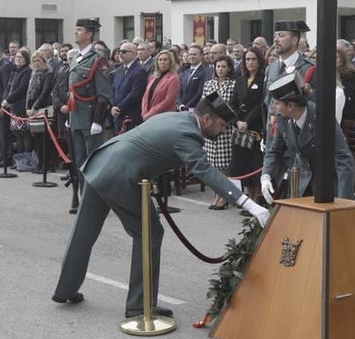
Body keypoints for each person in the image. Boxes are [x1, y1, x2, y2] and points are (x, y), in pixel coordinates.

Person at [52, 94, 270, 317]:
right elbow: (206, 172)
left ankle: (65, 289)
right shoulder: (187, 135)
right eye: (222, 125)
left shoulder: (178, 118)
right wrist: (248, 203)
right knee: (150, 233)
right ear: (206, 118)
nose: (223, 131)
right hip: (121, 176)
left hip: (102, 163)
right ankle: (140, 303)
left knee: (83, 233)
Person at [261, 72, 355, 201]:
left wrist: (344, 200)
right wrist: (266, 175)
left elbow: (343, 157)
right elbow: (275, 151)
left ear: (290, 106)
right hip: (300, 183)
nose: (274, 107)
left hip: (326, 185)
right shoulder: (282, 120)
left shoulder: (322, 118)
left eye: (277, 103)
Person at [64, 18, 113, 175]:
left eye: (79, 30)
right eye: (76, 29)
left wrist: (97, 121)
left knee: (93, 162)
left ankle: (93, 197)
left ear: (89, 34)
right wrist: (69, 116)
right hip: (76, 116)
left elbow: (104, 94)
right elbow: (72, 89)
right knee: (79, 160)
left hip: (90, 117)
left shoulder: (98, 59)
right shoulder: (76, 57)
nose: (75, 32)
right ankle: (82, 194)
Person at [230, 46, 267, 206]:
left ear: (259, 61)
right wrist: (237, 121)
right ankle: (247, 199)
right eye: (247, 59)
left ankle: (257, 198)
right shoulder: (239, 79)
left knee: (255, 164)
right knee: (242, 164)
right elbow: (233, 104)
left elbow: (262, 104)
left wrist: (248, 121)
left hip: (256, 127)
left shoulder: (264, 79)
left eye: (253, 59)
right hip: (241, 129)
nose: (250, 62)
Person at [201, 55, 237, 209]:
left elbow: (232, 106)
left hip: (225, 128)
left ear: (229, 68)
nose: (220, 69)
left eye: (223, 66)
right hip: (210, 129)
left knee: (224, 166)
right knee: (212, 165)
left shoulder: (233, 84)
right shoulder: (209, 84)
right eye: (218, 66)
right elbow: (203, 103)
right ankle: (216, 195)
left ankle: (224, 196)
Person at [110, 41, 147, 134]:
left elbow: (135, 94)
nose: (120, 54)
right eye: (119, 51)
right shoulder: (119, 70)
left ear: (133, 54)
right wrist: (113, 106)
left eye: (124, 52)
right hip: (117, 115)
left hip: (130, 115)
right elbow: (113, 90)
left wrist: (119, 107)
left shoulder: (139, 71)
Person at [141, 49, 180, 120]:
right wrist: (144, 112)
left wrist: (151, 113)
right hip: (148, 115)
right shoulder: (153, 77)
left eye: (165, 60)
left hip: (164, 117)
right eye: (160, 60)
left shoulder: (173, 78)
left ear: (170, 62)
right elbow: (145, 96)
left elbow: (168, 100)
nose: (162, 62)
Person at [175, 44, 209, 111]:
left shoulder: (205, 72)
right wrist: (180, 104)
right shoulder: (185, 73)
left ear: (201, 56)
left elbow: (199, 93)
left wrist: (186, 106)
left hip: (195, 109)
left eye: (194, 54)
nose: (191, 57)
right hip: (182, 109)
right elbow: (180, 91)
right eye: (190, 54)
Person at [337, 47, 355, 122]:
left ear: (342, 59)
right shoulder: (325, 76)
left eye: (336, 57)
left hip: (348, 119)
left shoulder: (353, 77)